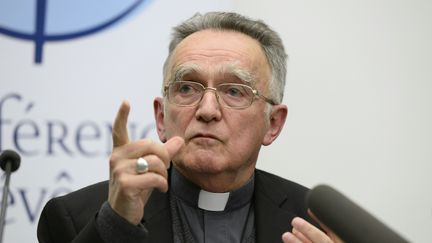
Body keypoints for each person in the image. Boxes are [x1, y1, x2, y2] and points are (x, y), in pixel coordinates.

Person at [37, 12, 342, 243]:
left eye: (234, 91)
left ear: (272, 123)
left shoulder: (320, 225)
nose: (207, 110)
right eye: (187, 88)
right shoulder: (75, 219)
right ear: (161, 117)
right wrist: (116, 226)